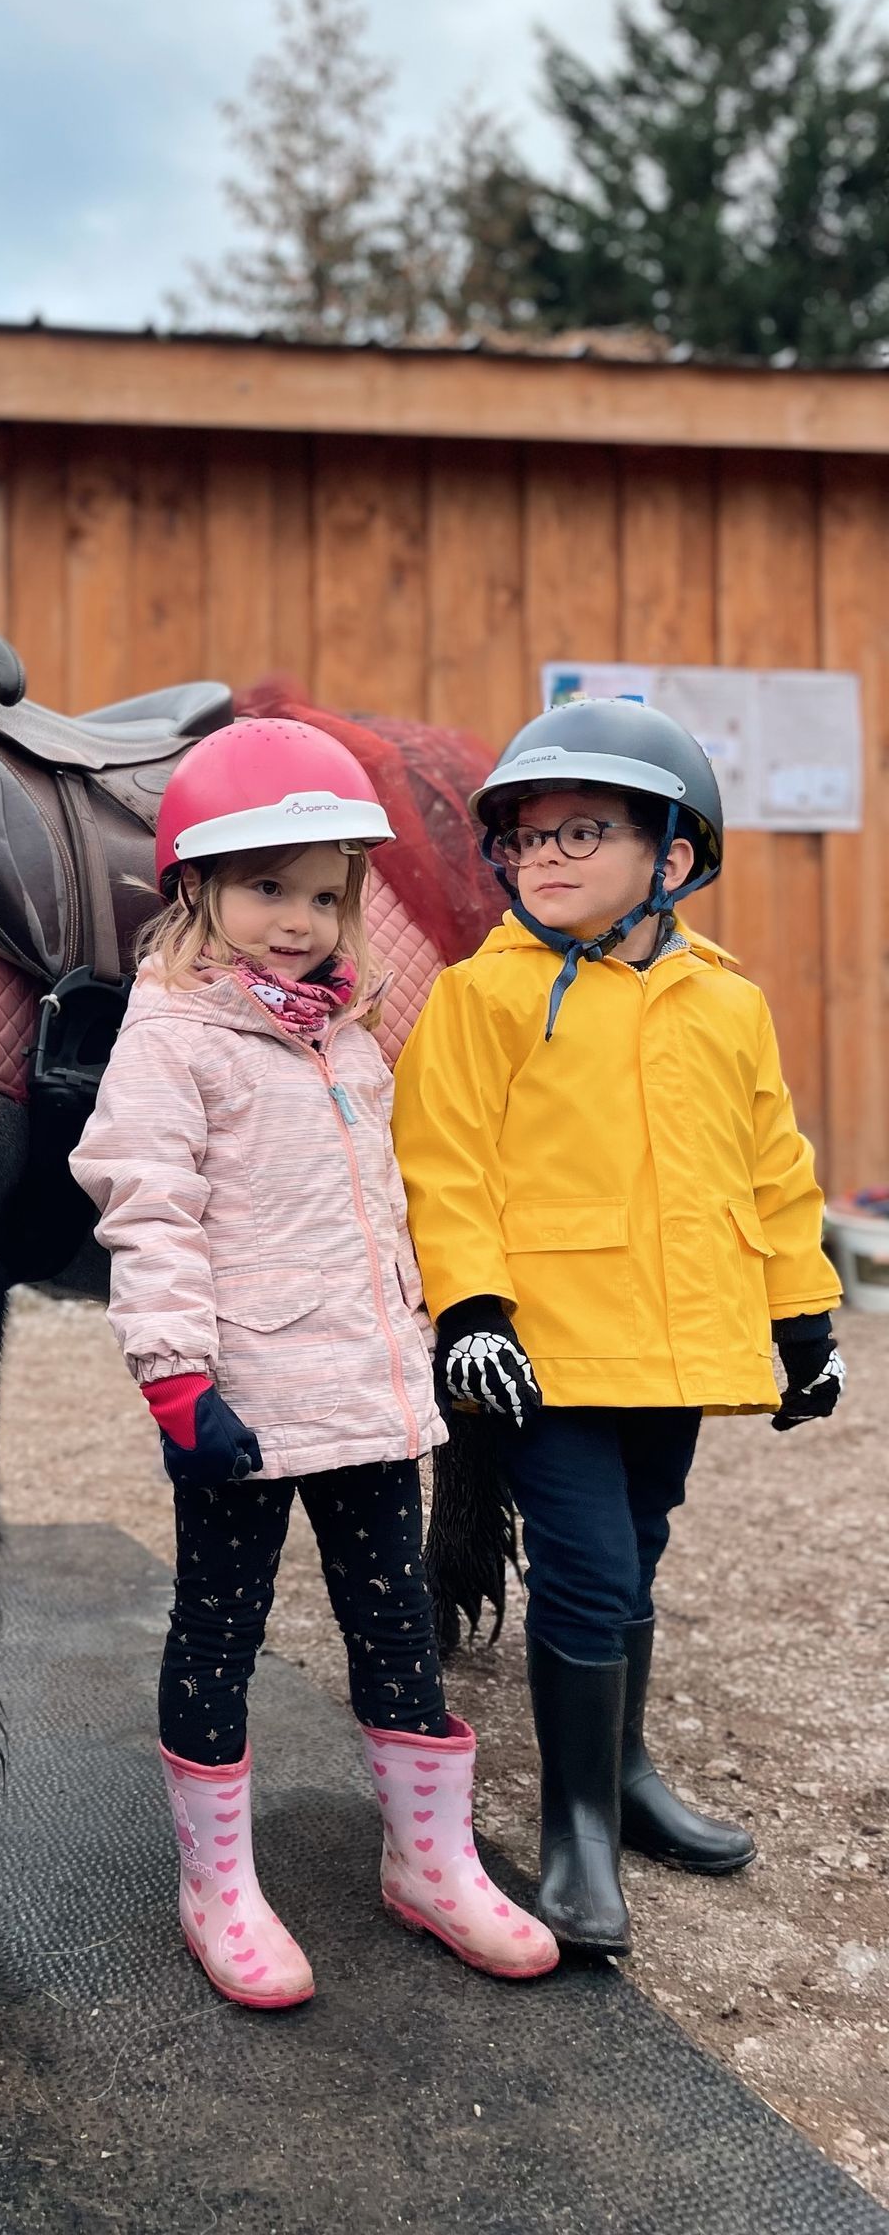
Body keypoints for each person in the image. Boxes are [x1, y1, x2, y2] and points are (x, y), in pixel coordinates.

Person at [70, 718, 558, 2008]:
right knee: (218, 1629)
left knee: (396, 1627)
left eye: (324, 894)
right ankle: (217, 1883)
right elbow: (148, 1207)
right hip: (236, 1403)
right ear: (201, 888)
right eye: (266, 887)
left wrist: (426, 1342)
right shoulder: (173, 1038)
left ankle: (430, 1858)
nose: (298, 920)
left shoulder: (348, 1036)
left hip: (368, 1396)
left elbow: (384, 1208)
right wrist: (177, 1380)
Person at [394, 697, 845, 1960]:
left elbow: (775, 1166)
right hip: (550, 1351)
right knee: (589, 1572)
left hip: (683, 1347)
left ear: (675, 855)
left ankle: (629, 1775)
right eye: (525, 840)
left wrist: (804, 1317)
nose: (542, 858)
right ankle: (577, 1828)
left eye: (581, 833)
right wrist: (473, 1307)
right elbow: (444, 1164)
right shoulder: (483, 999)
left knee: (637, 1555)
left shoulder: (726, 1003)